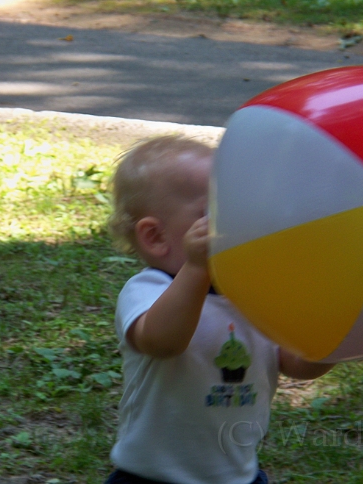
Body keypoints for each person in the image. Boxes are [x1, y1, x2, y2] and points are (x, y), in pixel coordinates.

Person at [106, 135, 334, 484]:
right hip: (151, 476)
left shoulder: (253, 294)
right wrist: (198, 268)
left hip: (239, 475)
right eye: (217, 213)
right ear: (156, 237)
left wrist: (334, 338)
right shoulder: (148, 289)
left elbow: (296, 362)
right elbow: (163, 342)